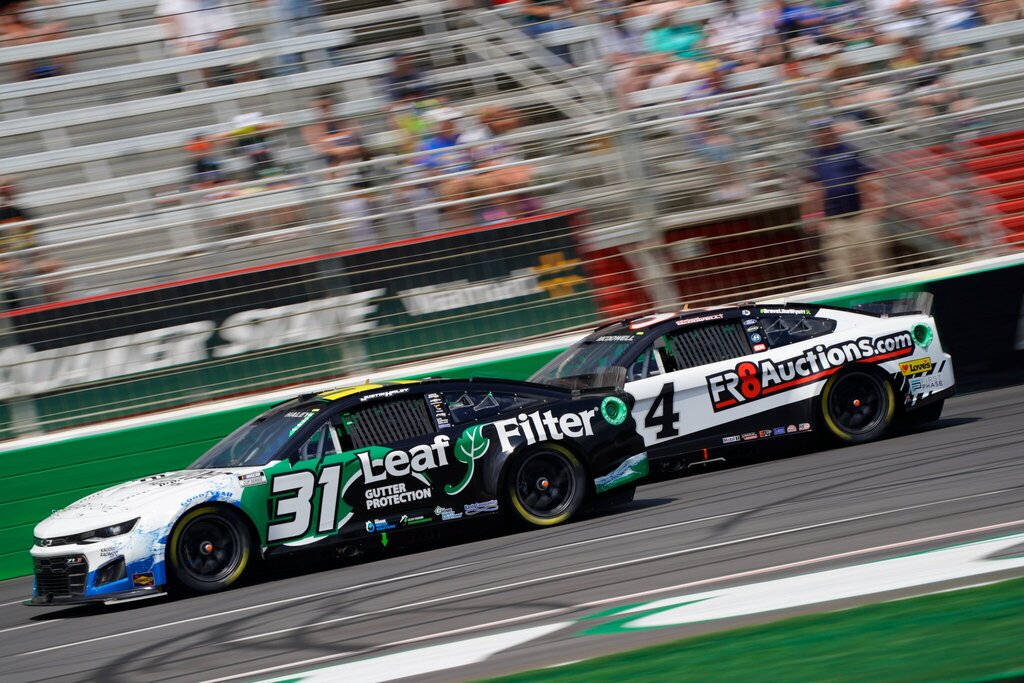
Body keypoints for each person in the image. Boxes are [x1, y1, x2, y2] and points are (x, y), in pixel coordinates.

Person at [805, 120, 887, 284]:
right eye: (820, 131)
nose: (824, 133)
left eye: (826, 129)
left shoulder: (851, 151)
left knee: (873, 265)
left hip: (860, 218)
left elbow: (871, 178)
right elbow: (811, 190)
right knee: (841, 270)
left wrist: (875, 207)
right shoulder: (813, 158)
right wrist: (812, 216)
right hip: (833, 222)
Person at [0, 176, 63, 305]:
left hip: (22, 262)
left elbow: (34, 246)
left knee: (55, 270)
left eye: (9, 189)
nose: (7, 193)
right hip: (7, 264)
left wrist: (40, 260)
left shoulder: (22, 213)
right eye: (3, 190)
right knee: (8, 270)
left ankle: (51, 310)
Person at [156, 0, 253, 83]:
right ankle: (206, 93)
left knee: (240, 43)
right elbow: (172, 33)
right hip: (188, 45)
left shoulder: (215, 2)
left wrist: (213, 41)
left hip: (216, 42)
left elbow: (230, 30)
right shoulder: (170, 2)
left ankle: (249, 87)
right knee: (190, 52)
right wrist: (188, 42)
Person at [302, 91, 371, 180]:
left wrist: (341, 150)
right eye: (319, 108)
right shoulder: (312, 128)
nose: (324, 111)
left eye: (326, 107)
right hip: (331, 164)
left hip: (353, 159)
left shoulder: (345, 122)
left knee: (363, 154)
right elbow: (321, 149)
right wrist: (341, 151)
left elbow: (358, 143)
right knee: (331, 163)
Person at [0, 0, 70, 80]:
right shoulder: (6, 21)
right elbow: (22, 37)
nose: (19, 8)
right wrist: (47, 31)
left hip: (37, 63)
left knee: (56, 35)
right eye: (14, 5)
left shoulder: (18, 19)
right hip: (25, 71)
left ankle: (63, 75)